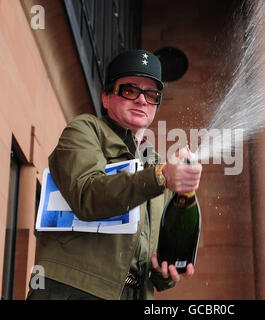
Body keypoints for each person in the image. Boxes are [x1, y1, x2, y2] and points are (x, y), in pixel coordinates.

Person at [27, 49, 202, 300]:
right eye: (130, 90)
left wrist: (164, 272)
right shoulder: (85, 130)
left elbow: (152, 253)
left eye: (151, 95)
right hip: (72, 290)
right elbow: (87, 195)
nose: (142, 100)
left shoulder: (156, 165)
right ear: (106, 98)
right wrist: (160, 177)